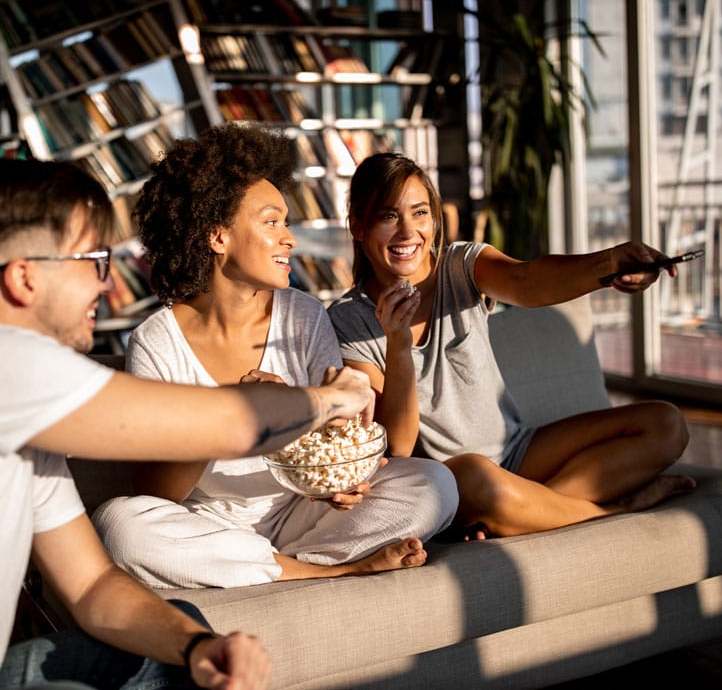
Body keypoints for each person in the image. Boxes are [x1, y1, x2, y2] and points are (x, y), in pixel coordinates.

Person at [0, 157, 377, 690]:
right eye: (92, 261)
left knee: (180, 641)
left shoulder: (33, 430)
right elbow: (233, 425)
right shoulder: (0, 365)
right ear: (23, 277)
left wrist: (197, 647)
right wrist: (334, 396)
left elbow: (94, 585)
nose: (106, 285)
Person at [92, 124, 458, 589]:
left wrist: (342, 481)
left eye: (286, 223)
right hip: (209, 526)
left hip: (302, 515)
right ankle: (329, 571)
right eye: (271, 222)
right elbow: (157, 492)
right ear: (217, 235)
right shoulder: (156, 341)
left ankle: (264, 569)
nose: (290, 239)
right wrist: (231, 412)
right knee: (120, 527)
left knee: (434, 485)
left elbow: (333, 446)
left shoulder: (304, 316)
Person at [327, 151, 696, 541]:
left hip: (519, 450)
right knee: (474, 474)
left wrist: (608, 265)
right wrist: (397, 344)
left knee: (666, 424)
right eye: (388, 216)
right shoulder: (348, 320)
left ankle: (525, 512)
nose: (408, 232)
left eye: (420, 213)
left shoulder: (461, 265)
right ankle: (614, 509)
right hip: (454, 481)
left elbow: (527, 280)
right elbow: (398, 445)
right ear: (357, 225)